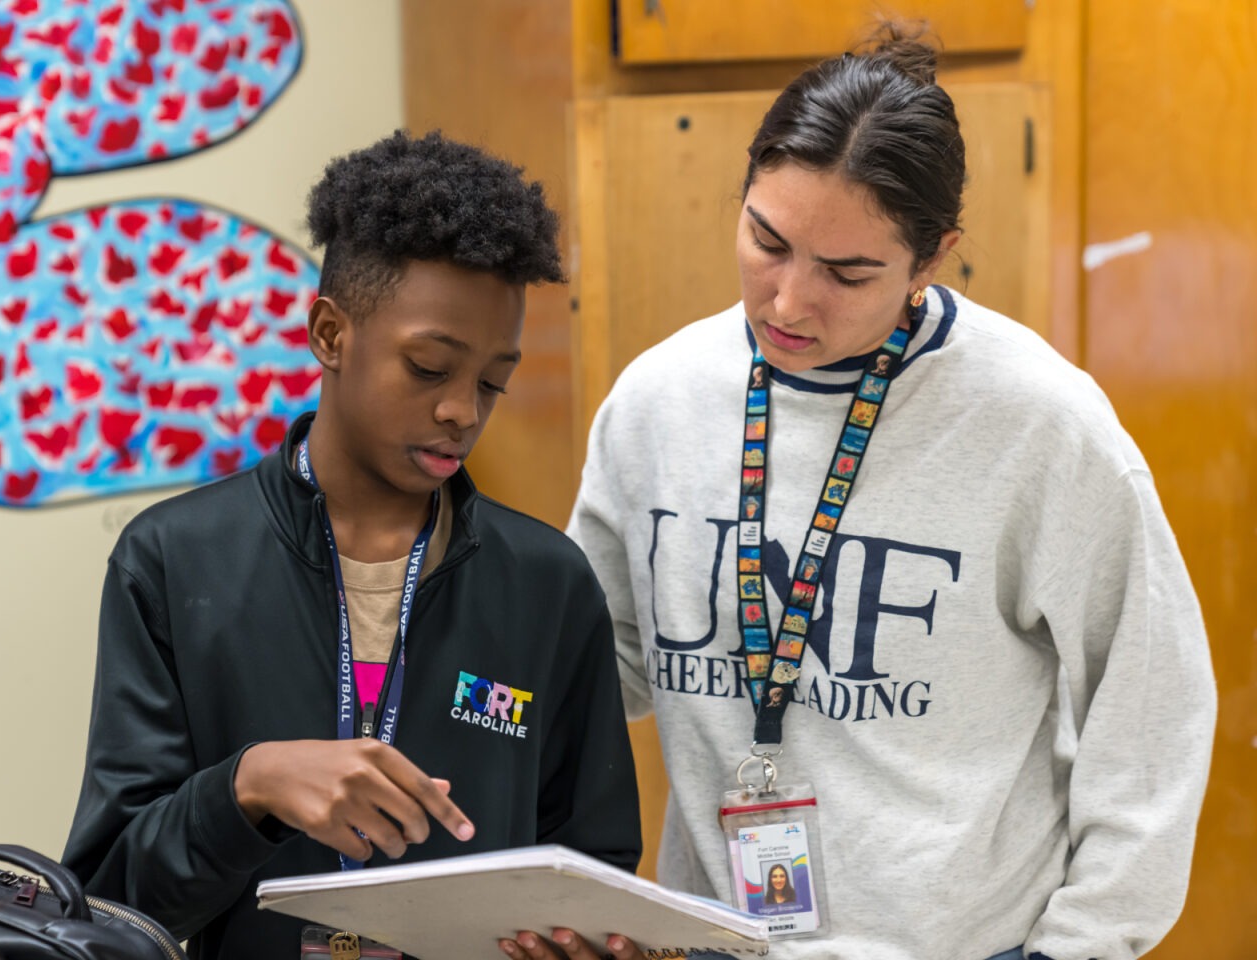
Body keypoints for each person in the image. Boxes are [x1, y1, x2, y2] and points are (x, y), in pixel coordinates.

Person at [517, 22, 1216, 960]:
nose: (788, 302)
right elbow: (598, 669)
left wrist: (1083, 948)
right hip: (712, 941)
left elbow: (1151, 711)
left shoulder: (1042, 425)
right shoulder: (658, 400)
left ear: (932, 258)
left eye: (849, 273)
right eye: (768, 240)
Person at [62, 130, 640, 959]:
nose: (462, 412)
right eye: (430, 367)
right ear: (331, 336)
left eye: (491, 382)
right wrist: (248, 786)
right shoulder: (173, 560)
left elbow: (596, 874)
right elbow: (114, 904)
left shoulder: (549, 584)